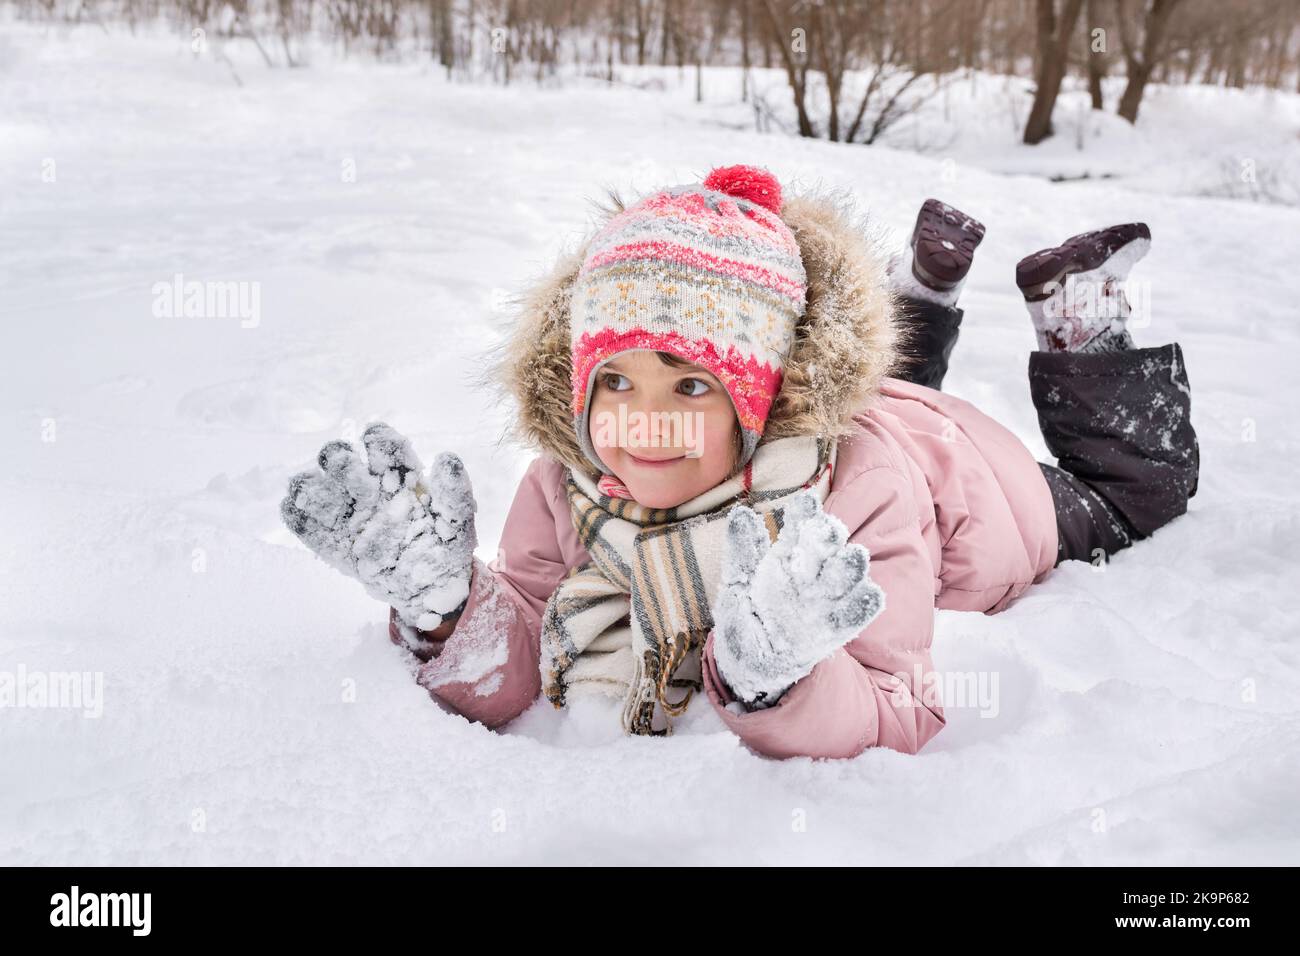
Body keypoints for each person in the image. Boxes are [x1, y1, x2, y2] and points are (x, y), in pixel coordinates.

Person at [280, 165, 1199, 760]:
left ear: (758, 402)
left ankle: (1079, 308)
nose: (643, 424)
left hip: (976, 489)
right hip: (867, 421)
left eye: (689, 389)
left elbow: (899, 702)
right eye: (615, 383)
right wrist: (448, 612)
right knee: (892, 377)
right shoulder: (564, 486)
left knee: (1137, 488)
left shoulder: (856, 490)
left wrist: (787, 679)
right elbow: (522, 629)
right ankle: (923, 290)